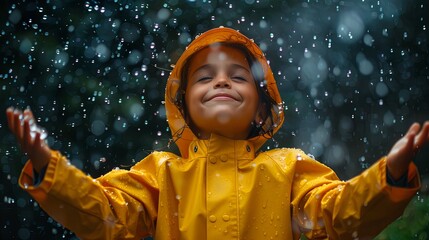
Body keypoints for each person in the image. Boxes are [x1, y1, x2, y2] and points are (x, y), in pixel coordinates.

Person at [6, 27, 428, 240]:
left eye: (238, 76)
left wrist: (387, 177)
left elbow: (339, 215)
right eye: (205, 77)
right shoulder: (159, 173)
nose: (222, 82)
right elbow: (107, 214)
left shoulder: (291, 167)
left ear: (262, 105)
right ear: (184, 104)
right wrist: (49, 169)